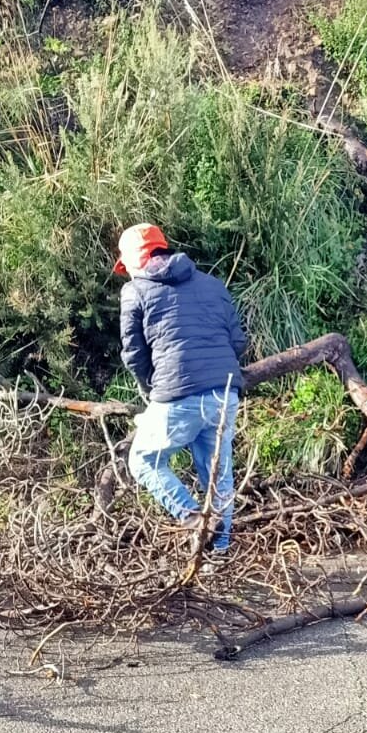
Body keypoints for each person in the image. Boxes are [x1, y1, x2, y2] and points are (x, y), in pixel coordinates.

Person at [115, 223, 246, 555]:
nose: (126, 272)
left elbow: (134, 355)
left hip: (178, 393)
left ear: (138, 259)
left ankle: (192, 517)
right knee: (218, 475)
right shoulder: (213, 285)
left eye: (127, 265)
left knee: (143, 461)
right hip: (225, 392)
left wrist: (151, 390)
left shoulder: (136, 290)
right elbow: (237, 342)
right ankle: (220, 555)